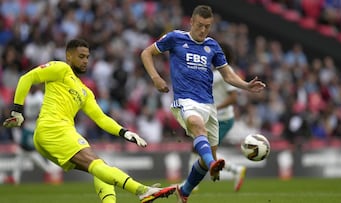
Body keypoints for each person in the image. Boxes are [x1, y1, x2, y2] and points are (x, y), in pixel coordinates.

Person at [3, 38, 175, 203]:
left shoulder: (85, 91)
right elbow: (26, 78)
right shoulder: (61, 68)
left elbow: (101, 118)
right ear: (68, 56)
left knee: (101, 168)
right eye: (81, 56)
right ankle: (142, 191)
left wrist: (125, 132)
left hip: (53, 135)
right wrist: (17, 110)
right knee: (98, 165)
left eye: (87, 57)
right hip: (53, 129)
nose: (85, 61)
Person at [140, 5, 266, 203]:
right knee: (198, 128)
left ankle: (185, 190)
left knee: (204, 161)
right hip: (185, 100)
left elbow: (227, 74)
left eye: (207, 26)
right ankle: (214, 163)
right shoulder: (175, 38)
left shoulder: (213, 46)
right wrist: (156, 77)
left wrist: (246, 86)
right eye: (199, 25)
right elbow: (146, 53)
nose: (203, 30)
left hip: (209, 105)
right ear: (191, 21)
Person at [187, 42, 247, 192]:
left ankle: (234, 170)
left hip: (224, 119)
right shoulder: (213, 73)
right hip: (213, 118)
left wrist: (214, 108)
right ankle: (235, 170)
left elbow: (234, 97)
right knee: (199, 148)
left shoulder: (227, 72)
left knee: (201, 149)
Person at [8, 85, 62, 184]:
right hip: (28, 126)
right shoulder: (29, 96)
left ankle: (49, 171)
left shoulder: (39, 98)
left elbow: (44, 111)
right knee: (22, 152)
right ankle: (15, 178)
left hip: (34, 127)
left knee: (27, 151)